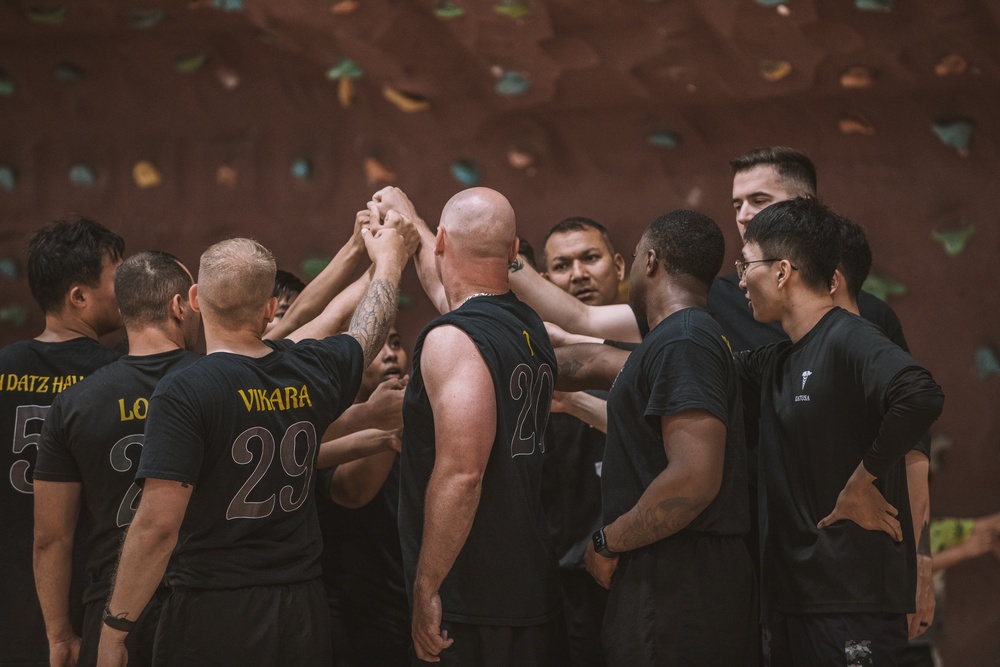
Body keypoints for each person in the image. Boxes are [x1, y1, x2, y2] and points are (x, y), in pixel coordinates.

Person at [96, 229, 407, 667]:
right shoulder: (307, 370)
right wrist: (390, 260)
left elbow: (155, 528)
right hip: (303, 607)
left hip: (216, 610)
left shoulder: (185, 389)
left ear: (197, 299)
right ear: (267, 310)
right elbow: (365, 330)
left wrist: (115, 628)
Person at [734, 197, 944, 665]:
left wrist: (861, 481)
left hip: (850, 602)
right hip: (796, 602)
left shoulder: (850, 336)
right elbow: (688, 365)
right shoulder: (777, 361)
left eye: (745, 265)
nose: (741, 280)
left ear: (782, 270)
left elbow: (921, 395)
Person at [381, 187, 564, 665]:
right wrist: (411, 217)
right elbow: (450, 291)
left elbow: (464, 475)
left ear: (442, 241)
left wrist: (426, 585)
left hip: (471, 596)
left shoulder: (452, 338)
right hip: (528, 582)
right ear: (513, 251)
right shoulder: (527, 324)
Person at [583, 210, 756, 666]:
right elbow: (572, 351)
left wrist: (607, 541)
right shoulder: (673, 340)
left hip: (682, 584)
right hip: (671, 577)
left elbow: (694, 479)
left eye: (637, 253)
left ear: (651, 260)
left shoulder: (685, 340)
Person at [33, 251, 201, 667]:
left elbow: (50, 538)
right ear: (179, 307)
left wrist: (59, 635)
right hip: (204, 602)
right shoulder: (216, 382)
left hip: (111, 607)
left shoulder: (74, 403)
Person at [0, 217, 124, 666]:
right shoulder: (116, 377)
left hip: (12, 585)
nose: (128, 288)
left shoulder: (4, 366)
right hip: (91, 588)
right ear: (79, 296)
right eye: (119, 276)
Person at [538, 217, 623, 666]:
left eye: (590, 258)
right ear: (545, 281)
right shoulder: (534, 362)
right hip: (563, 577)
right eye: (562, 265)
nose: (578, 274)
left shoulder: (655, 345)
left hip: (645, 571)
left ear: (621, 266)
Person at [318, 327, 411, 667]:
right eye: (375, 347)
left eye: (396, 343)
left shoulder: (420, 418)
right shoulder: (323, 425)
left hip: (417, 606)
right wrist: (389, 426)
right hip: (359, 616)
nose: (390, 354)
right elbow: (352, 492)